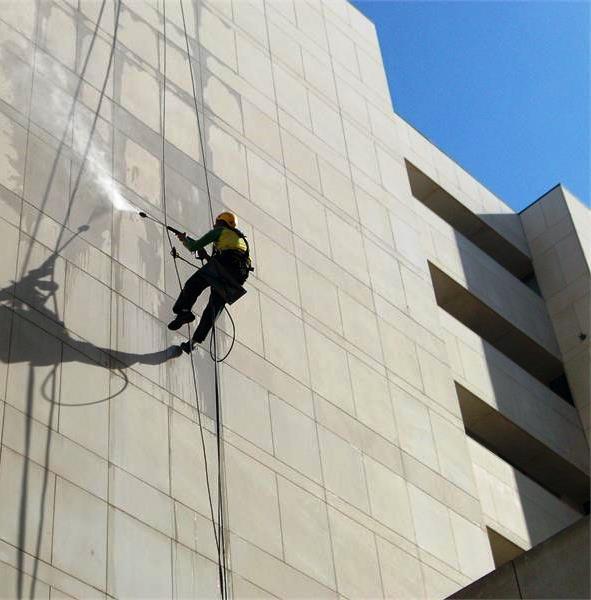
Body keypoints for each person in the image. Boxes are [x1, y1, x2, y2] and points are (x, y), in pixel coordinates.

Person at [168, 211, 252, 353]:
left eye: (216, 222)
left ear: (222, 223)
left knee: (194, 283)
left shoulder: (221, 231)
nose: (214, 225)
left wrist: (184, 240)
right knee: (213, 309)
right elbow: (225, 261)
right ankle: (194, 343)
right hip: (235, 279)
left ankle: (183, 311)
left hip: (224, 267)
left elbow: (195, 246)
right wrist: (205, 255)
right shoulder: (239, 240)